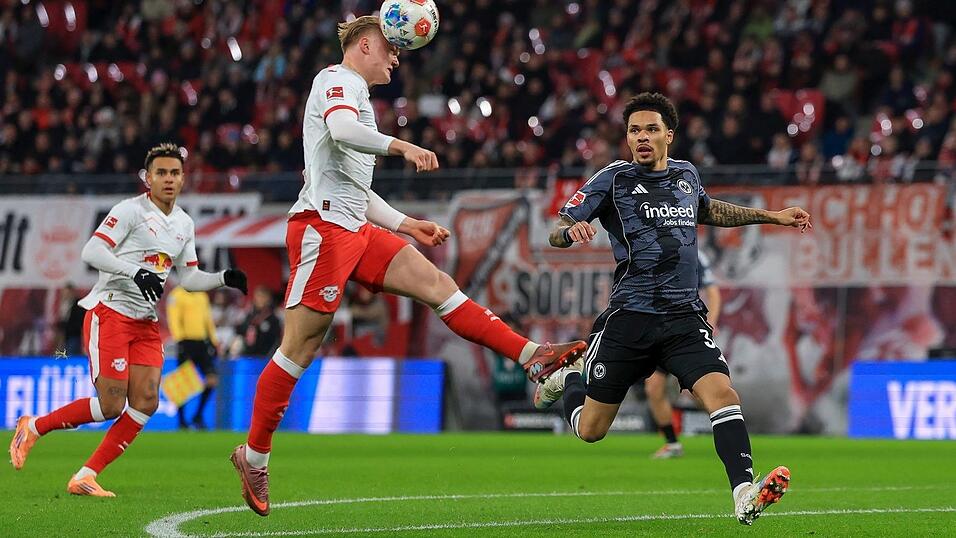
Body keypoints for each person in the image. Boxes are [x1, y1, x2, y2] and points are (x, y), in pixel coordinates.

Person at [229, 16, 586, 517]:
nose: (397, 59)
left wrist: (405, 223)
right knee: (300, 347)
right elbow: (340, 130)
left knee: (437, 283)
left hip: (355, 226)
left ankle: (532, 357)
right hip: (322, 229)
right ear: (366, 45)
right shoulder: (336, 80)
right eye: (392, 50)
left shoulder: (360, 99)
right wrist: (401, 146)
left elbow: (355, 184)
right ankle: (255, 454)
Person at [535, 93, 812, 526]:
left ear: (669, 134)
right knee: (590, 430)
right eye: (633, 131)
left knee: (723, 395)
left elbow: (710, 210)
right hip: (630, 317)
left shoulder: (686, 175)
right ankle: (568, 378)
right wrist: (570, 234)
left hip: (684, 317)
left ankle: (744, 493)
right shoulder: (611, 179)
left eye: (650, 129)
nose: (641, 138)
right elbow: (557, 229)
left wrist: (772, 216)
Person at [8, 143, 248, 497]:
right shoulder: (130, 211)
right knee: (110, 405)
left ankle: (85, 476)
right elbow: (91, 251)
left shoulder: (184, 223)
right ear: (148, 178)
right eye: (161, 173)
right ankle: (34, 427)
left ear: (183, 179)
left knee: (148, 399)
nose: (168, 179)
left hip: (145, 323)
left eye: (174, 173)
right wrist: (136, 272)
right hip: (110, 313)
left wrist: (223, 278)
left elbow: (190, 277)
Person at [645, 250, 721, 459]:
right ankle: (672, 444)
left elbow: (713, 293)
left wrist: (710, 325)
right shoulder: (652, 250)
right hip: (661, 332)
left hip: (687, 332)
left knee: (702, 392)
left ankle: (728, 426)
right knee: (653, 387)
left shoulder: (696, 255)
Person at [167, 283, 220, 429]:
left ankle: (198, 414)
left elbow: (208, 320)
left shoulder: (201, 295)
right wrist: (179, 340)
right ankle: (182, 421)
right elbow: (174, 320)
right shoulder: (176, 295)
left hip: (202, 343)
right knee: (183, 384)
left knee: (212, 379)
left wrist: (214, 341)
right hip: (186, 342)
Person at [238, 286, 281, 358]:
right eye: (258, 296)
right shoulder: (250, 315)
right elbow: (242, 330)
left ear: (269, 299)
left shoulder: (273, 318)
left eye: (263, 296)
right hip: (248, 355)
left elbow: (275, 340)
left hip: (264, 357)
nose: (260, 299)